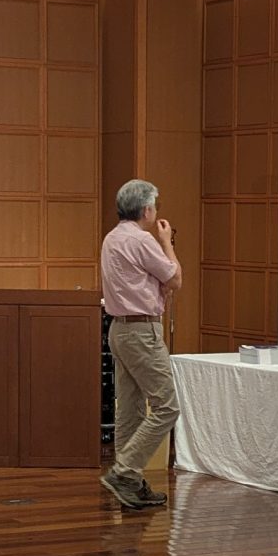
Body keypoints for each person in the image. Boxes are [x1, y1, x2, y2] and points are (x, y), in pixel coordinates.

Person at [99, 178, 181, 511]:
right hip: (142, 331)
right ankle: (124, 471)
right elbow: (175, 278)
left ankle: (130, 481)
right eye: (155, 206)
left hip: (118, 330)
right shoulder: (142, 240)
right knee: (167, 406)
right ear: (146, 209)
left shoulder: (111, 238)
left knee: (130, 410)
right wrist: (166, 242)